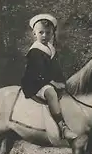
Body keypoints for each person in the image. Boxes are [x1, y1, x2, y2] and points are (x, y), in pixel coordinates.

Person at [21, 13, 77, 141]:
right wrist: (53, 83)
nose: (45, 36)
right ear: (34, 34)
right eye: (41, 32)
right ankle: (62, 127)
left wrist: (62, 81)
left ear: (53, 34)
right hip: (35, 83)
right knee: (51, 93)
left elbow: (56, 70)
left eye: (48, 33)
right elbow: (37, 72)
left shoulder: (51, 49)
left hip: (48, 81)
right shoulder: (35, 51)